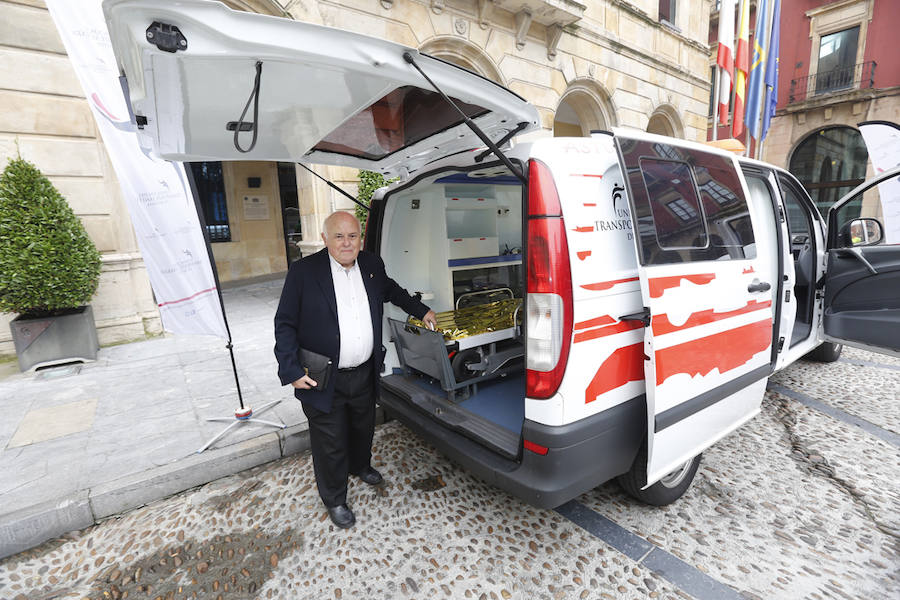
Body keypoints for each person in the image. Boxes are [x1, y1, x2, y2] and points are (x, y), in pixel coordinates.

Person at [274, 211, 437, 528]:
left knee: (363, 427)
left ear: (360, 238)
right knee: (329, 441)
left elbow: (392, 291)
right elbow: (284, 324)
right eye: (339, 236)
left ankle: (360, 465)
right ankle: (335, 498)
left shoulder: (372, 265)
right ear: (324, 239)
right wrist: (290, 369)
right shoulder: (304, 272)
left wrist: (421, 309)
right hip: (323, 377)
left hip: (364, 371)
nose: (347, 243)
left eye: (353, 236)